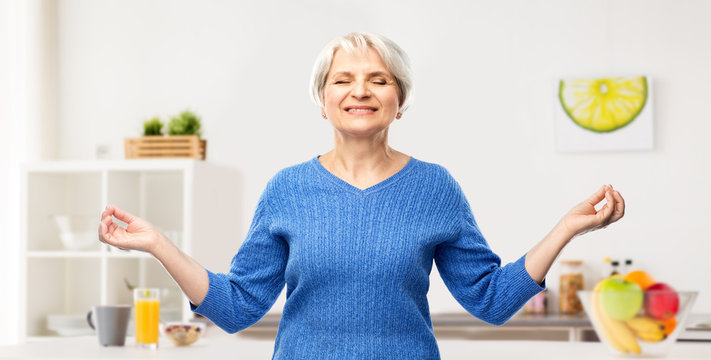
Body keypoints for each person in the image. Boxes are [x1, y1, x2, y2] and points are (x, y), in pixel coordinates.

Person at [99, 32, 625, 359]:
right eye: (342, 80)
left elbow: (490, 300)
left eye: (379, 79)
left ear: (400, 101)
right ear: (322, 101)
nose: (360, 91)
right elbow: (237, 308)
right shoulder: (287, 189)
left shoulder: (435, 187)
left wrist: (566, 229)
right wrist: (158, 245)